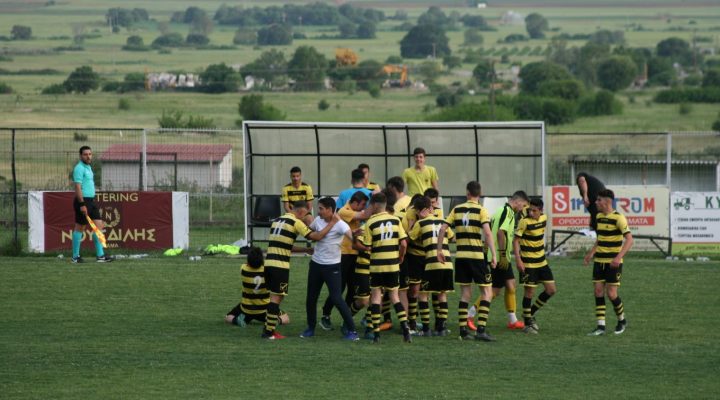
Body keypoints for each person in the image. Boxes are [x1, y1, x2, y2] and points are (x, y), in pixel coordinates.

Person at [261, 200, 339, 340]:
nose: (305, 218)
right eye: (306, 214)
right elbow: (316, 237)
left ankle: (269, 329)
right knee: (276, 298)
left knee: (276, 296)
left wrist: (305, 250)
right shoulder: (296, 222)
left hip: (269, 263)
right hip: (280, 266)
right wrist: (332, 223)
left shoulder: (278, 220)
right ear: (302, 211)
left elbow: (285, 245)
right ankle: (268, 332)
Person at [438, 181, 497, 341]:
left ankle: (463, 330)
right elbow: (488, 233)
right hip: (476, 258)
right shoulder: (481, 210)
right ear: (480, 193)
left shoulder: (457, 209)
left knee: (465, 294)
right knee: (487, 292)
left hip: (461, 258)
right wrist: (494, 254)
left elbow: (443, 228)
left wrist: (439, 250)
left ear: (467, 193)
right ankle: (481, 330)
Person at [300, 197, 360, 341]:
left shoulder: (340, 225)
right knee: (311, 299)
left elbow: (353, 240)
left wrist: (358, 238)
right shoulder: (318, 221)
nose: (318, 211)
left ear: (329, 210)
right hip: (315, 265)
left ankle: (352, 331)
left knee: (337, 298)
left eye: (321, 208)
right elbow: (312, 235)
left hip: (332, 267)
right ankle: (310, 328)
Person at [355, 192, 412, 343]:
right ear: (386, 204)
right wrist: (400, 256)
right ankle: (406, 330)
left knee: (375, 297)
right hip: (393, 265)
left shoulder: (370, 223)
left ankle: (376, 334)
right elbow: (404, 243)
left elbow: (366, 246)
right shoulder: (395, 220)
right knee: (394, 297)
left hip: (377, 266)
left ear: (373, 205)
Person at [584, 189, 634, 336]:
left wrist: (618, 258)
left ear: (607, 201)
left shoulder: (619, 218)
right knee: (598, 291)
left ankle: (621, 321)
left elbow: (630, 240)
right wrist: (591, 253)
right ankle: (600, 326)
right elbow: (600, 238)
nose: (596, 202)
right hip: (599, 261)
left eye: (599, 200)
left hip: (613, 263)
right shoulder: (599, 217)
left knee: (612, 294)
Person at [318, 191, 370, 331]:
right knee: (339, 288)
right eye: (363, 204)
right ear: (355, 203)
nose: (364, 207)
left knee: (352, 289)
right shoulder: (344, 210)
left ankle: (346, 317)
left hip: (354, 255)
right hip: (343, 255)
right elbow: (365, 215)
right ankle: (325, 315)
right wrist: (377, 204)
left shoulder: (353, 210)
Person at [410, 196, 455, 337]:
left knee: (423, 295)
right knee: (442, 295)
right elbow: (452, 237)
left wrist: (415, 222)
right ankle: (441, 328)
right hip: (447, 263)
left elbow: (410, 237)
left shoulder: (421, 223)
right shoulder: (443, 221)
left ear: (419, 210)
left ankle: (426, 329)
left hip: (432, 263)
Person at [485, 190, 530, 330]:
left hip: (500, 256)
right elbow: (500, 233)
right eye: (522, 206)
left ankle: (513, 320)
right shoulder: (508, 212)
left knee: (511, 285)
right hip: (499, 257)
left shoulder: (500, 210)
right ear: (517, 202)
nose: (522, 210)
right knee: (494, 291)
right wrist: (503, 254)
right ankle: (470, 314)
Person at [514, 198, 556, 334]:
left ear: (541, 211)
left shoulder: (544, 218)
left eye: (535, 210)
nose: (531, 213)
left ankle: (529, 313)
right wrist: (518, 260)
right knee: (529, 292)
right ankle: (527, 324)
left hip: (542, 261)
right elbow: (516, 241)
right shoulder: (524, 221)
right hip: (528, 262)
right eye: (530, 210)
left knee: (551, 290)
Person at [225, 246, 290, 327]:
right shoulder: (267, 271)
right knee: (285, 318)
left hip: (246, 309)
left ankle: (237, 320)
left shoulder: (243, 269)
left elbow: (247, 264)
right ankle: (275, 321)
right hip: (264, 309)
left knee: (228, 317)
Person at [71, 145, 114, 263]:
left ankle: (100, 256)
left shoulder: (88, 167)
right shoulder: (79, 168)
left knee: (99, 227)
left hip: (91, 201)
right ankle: (75, 257)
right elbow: (78, 187)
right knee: (80, 228)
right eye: (85, 154)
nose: (88, 156)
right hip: (83, 201)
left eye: (90, 154)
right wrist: (82, 204)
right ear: (81, 156)